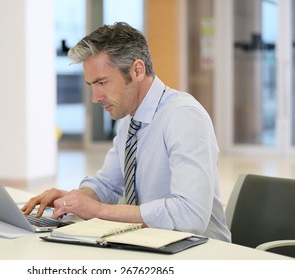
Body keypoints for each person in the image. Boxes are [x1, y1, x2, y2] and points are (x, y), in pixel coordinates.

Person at [22, 22, 231, 242]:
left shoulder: (183, 116)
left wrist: (98, 210)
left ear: (137, 70)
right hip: (150, 244)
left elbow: (190, 216)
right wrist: (74, 199)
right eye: (91, 85)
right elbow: (107, 184)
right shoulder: (130, 121)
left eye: (102, 82)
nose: (96, 97)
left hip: (199, 252)